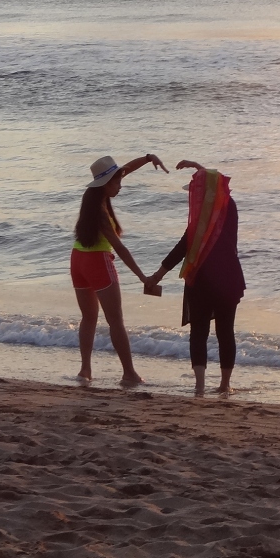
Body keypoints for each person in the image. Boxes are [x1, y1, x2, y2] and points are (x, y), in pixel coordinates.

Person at [145, 161, 246, 397]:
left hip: (201, 280)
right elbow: (216, 184)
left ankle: (200, 386)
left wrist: (158, 275)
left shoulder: (200, 218)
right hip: (229, 279)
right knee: (226, 332)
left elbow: (183, 247)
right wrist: (198, 167)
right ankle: (224, 384)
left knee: (199, 332)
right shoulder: (228, 207)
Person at [72, 154, 167, 386]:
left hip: (77, 260)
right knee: (116, 321)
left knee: (89, 318)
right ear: (106, 183)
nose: (121, 185)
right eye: (117, 182)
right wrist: (143, 277)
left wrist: (147, 158)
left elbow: (125, 169)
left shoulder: (92, 197)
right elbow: (120, 248)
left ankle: (85, 369)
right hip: (98, 262)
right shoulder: (101, 211)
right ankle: (129, 373)